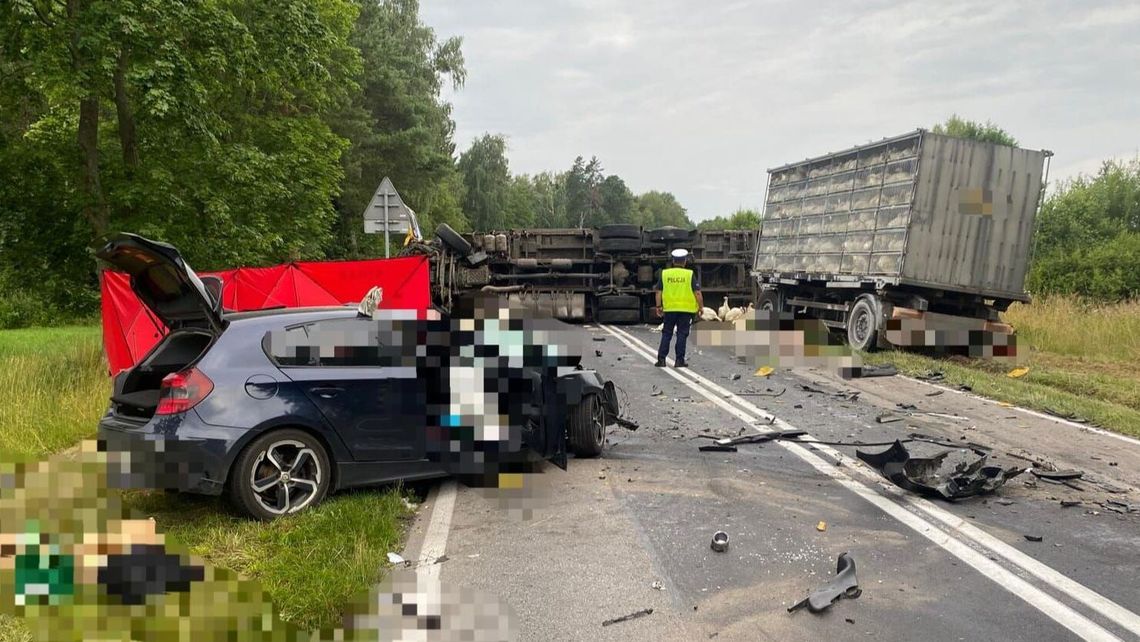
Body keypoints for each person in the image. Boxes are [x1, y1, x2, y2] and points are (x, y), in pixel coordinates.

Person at [654, 248, 704, 367]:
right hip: (686, 310)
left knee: (667, 333)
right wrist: (701, 307)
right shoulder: (689, 274)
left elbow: (658, 292)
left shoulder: (665, 274)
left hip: (670, 309)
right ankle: (679, 360)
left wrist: (658, 306)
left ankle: (661, 359)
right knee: (682, 334)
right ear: (685, 261)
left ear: (673, 261)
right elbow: (697, 292)